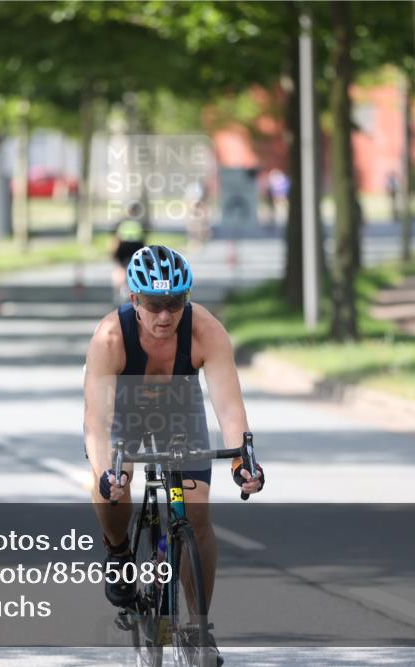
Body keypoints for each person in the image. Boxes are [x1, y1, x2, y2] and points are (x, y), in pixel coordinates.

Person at [83, 245, 265, 665]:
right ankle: (117, 551)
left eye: (175, 303)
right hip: (123, 413)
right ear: (134, 300)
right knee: (110, 490)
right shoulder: (110, 338)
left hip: (179, 411)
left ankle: (198, 626)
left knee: (196, 512)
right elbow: (97, 421)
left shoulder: (206, 331)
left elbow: (229, 407)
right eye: (153, 305)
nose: (165, 315)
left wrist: (243, 462)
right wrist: (106, 473)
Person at [110, 202, 146, 304]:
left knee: (120, 269)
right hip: (136, 248)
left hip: (123, 248)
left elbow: (116, 239)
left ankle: (118, 291)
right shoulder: (140, 223)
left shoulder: (121, 222)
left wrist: (113, 253)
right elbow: (143, 239)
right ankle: (130, 290)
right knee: (134, 270)